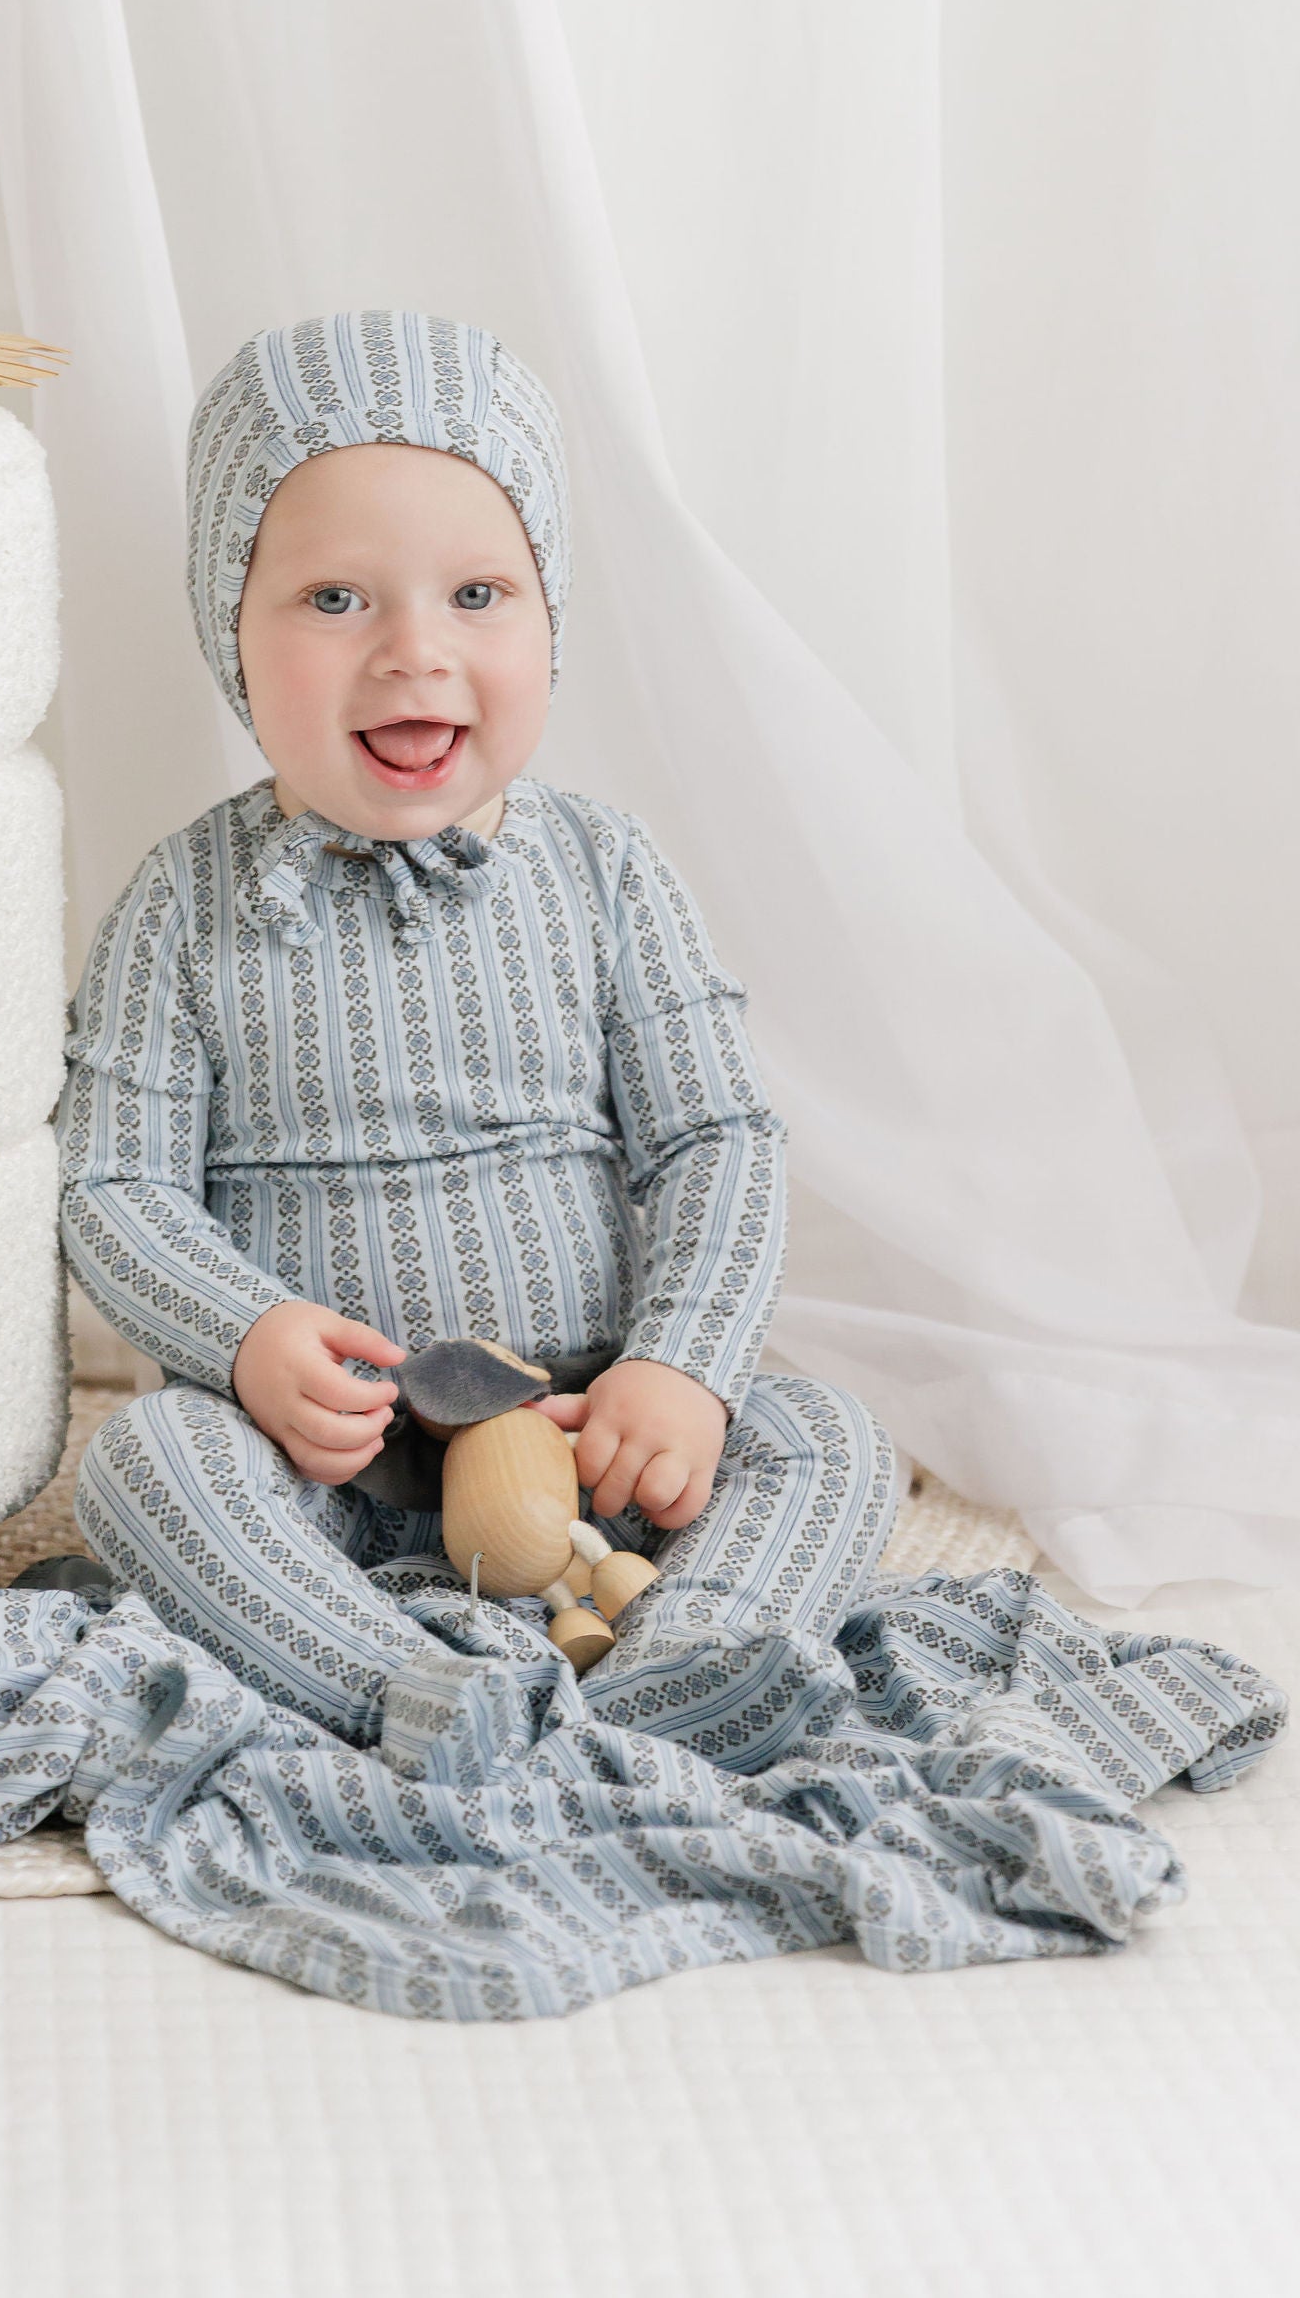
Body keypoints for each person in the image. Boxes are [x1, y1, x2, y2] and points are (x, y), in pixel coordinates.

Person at [58, 309, 899, 1762]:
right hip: (323, 1471)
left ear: (549, 616)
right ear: (228, 628)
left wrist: (680, 1368)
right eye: (334, 599)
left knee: (830, 1439)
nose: (414, 653)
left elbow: (717, 1139)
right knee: (143, 1464)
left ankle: (689, 1659)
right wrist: (246, 1338)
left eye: (477, 594)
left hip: (596, 1447)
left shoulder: (606, 870)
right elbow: (113, 1183)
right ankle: (399, 1685)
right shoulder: (182, 905)